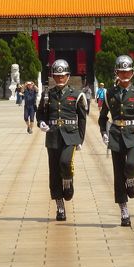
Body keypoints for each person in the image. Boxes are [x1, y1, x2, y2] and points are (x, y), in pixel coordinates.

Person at [98, 55, 134, 227]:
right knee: (118, 173)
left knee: (130, 166)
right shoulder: (109, 93)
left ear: (133, 73)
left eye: (127, 72)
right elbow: (103, 117)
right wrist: (103, 133)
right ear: (116, 73)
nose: (125, 75)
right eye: (121, 72)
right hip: (116, 134)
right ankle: (124, 210)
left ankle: (131, 178)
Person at [37, 60, 87, 221]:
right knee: (53, 171)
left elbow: (82, 119)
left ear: (68, 76)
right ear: (53, 76)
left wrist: (80, 139)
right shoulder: (47, 95)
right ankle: (59, 206)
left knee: (65, 163)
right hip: (52, 135)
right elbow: (40, 114)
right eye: (57, 76)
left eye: (62, 76)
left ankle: (68, 180)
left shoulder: (76, 94)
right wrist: (41, 123)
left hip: (70, 135)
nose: (59, 79)